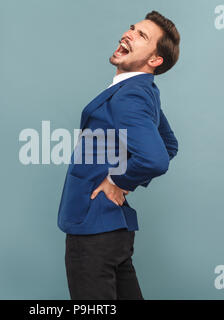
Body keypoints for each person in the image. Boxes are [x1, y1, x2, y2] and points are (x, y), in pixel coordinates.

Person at [57, 10, 180, 300]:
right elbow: (169, 144)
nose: (129, 34)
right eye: (132, 28)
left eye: (142, 36)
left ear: (155, 60)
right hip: (114, 232)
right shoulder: (143, 90)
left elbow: (157, 157)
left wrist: (119, 182)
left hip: (93, 229)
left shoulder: (130, 95)